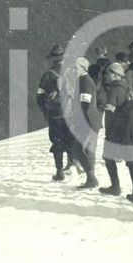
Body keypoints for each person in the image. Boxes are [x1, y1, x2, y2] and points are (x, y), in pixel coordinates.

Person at [97, 61, 133, 199]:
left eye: (108, 73)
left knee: (108, 157)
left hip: (115, 130)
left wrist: (108, 130)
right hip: (128, 129)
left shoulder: (114, 90)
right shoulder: (127, 87)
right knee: (131, 161)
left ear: (115, 75)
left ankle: (115, 186)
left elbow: (110, 110)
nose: (106, 75)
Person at [36, 44, 74, 181]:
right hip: (71, 114)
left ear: (53, 59)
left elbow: (39, 96)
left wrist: (45, 111)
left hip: (55, 115)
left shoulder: (47, 75)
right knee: (70, 140)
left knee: (57, 143)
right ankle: (72, 165)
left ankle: (59, 171)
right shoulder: (72, 72)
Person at [71, 56, 101, 189]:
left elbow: (85, 103)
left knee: (78, 149)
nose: (73, 70)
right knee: (89, 150)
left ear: (83, 68)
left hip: (87, 120)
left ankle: (91, 178)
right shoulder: (83, 80)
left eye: (75, 67)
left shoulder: (85, 81)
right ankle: (91, 178)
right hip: (92, 120)